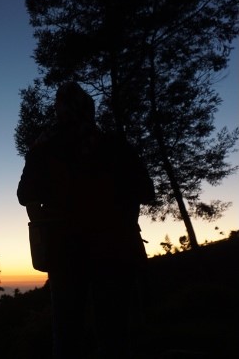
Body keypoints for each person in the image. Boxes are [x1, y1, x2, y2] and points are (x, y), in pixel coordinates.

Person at [17, 82, 154, 359]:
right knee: (114, 335)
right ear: (90, 111)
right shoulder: (114, 146)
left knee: (67, 336)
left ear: (60, 111)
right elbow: (146, 191)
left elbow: (25, 194)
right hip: (116, 250)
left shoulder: (44, 149)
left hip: (66, 253)